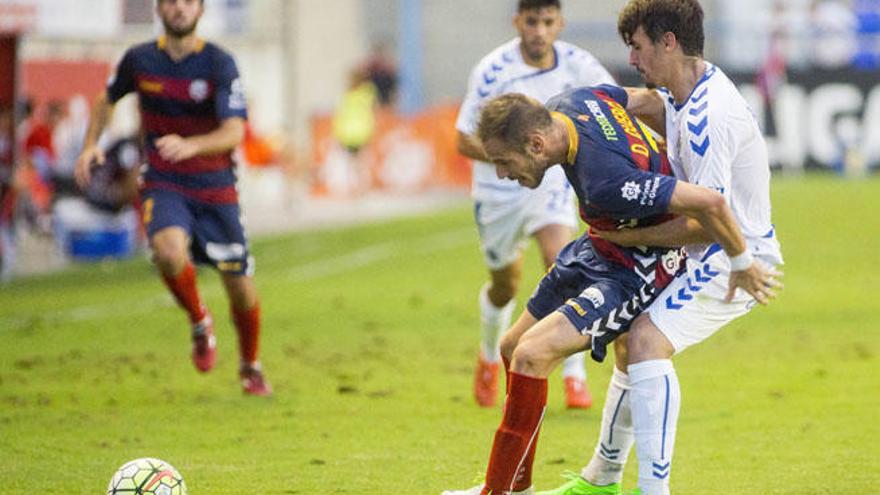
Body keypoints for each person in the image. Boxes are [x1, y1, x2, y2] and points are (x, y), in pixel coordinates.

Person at [441, 84, 779, 495]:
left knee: (533, 354)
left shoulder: (608, 180)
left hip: (634, 269)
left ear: (535, 143)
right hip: (598, 245)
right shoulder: (572, 101)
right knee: (513, 348)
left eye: (503, 162)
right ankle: (515, 487)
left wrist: (742, 261)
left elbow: (708, 208)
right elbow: (650, 100)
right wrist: (660, 151)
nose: (501, 173)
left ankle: (499, 492)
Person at [539, 1, 785, 494]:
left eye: (638, 46)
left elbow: (709, 219)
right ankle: (601, 480)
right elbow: (649, 102)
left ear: (668, 42)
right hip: (708, 248)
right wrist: (589, 107)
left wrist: (628, 236)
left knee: (649, 340)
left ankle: (654, 490)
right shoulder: (686, 87)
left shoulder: (708, 118)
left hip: (734, 256)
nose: (632, 58)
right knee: (631, 342)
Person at [74, 0, 271, 396]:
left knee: (240, 287)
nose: (179, 8)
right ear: (159, 9)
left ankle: (250, 365)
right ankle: (200, 321)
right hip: (165, 181)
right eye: (171, 2)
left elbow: (234, 131)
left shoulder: (220, 63)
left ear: (200, 10)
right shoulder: (139, 59)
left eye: (188, 2)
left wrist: (192, 144)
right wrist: (90, 144)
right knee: (167, 251)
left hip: (216, 187)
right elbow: (106, 98)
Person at [456, 0, 616, 409]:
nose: (540, 31)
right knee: (504, 285)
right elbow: (462, 139)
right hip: (499, 192)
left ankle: (573, 375)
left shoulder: (580, 65)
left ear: (559, 22)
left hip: (551, 184)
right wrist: (512, 157)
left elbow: (615, 106)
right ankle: (490, 354)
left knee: (559, 262)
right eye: (532, 22)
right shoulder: (493, 71)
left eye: (548, 22)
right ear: (517, 23)